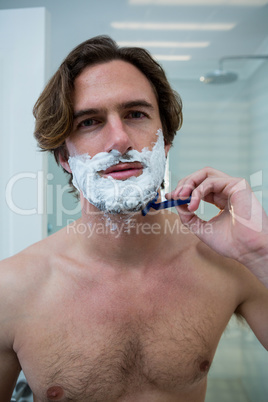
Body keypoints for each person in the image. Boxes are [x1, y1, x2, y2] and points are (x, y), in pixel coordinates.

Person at [0, 35, 268, 402]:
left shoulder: (229, 263)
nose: (120, 139)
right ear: (64, 157)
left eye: (136, 114)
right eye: (90, 121)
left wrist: (261, 254)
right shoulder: (11, 289)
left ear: (165, 142)